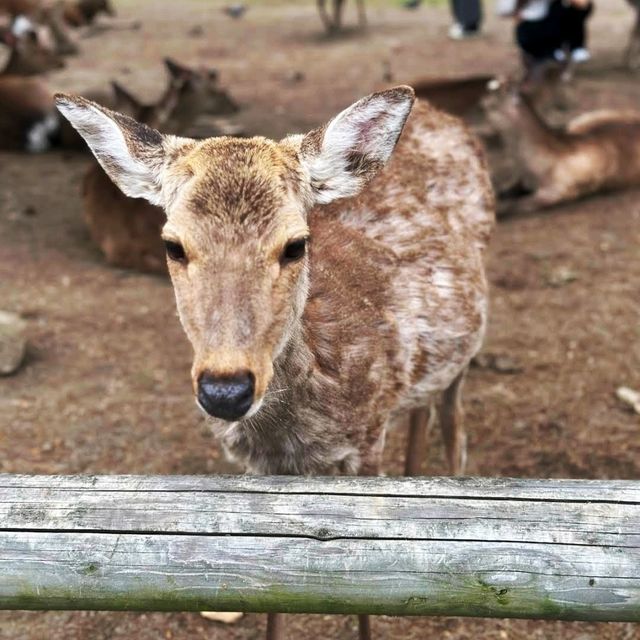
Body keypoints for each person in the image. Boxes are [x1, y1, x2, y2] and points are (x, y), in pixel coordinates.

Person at [497, 0, 593, 67]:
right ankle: (547, 53)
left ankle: (574, 47)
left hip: (550, 22)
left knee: (568, 8)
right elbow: (504, 11)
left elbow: (583, 5)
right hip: (531, 27)